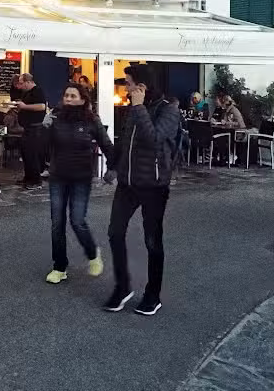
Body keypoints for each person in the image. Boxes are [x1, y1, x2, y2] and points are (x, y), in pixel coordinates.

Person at [104, 64, 180, 316]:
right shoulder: (133, 109)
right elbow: (127, 143)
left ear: (142, 86)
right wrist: (114, 167)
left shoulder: (169, 109)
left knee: (152, 241)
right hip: (128, 183)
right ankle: (123, 286)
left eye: (128, 82)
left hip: (154, 185)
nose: (125, 87)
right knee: (115, 232)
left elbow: (155, 140)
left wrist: (138, 107)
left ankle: (152, 294)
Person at [44, 83, 114, 285]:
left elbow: (106, 145)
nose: (68, 99)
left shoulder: (92, 120)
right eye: (66, 95)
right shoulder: (56, 118)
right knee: (57, 224)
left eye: (73, 96)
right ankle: (59, 267)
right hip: (58, 176)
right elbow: (40, 146)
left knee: (77, 220)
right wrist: (44, 127)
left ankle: (93, 253)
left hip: (81, 178)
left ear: (83, 99)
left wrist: (113, 167)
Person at [16, 73, 47, 190]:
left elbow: (41, 107)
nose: (20, 85)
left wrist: (24, 107)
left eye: (21, 82)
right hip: (27, 127)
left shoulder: (38, 91)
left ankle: (36, 180)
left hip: (35, 128)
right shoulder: (26, 93)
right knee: (25, 153)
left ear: (28, 82)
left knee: (32, 154)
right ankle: (28, 177)